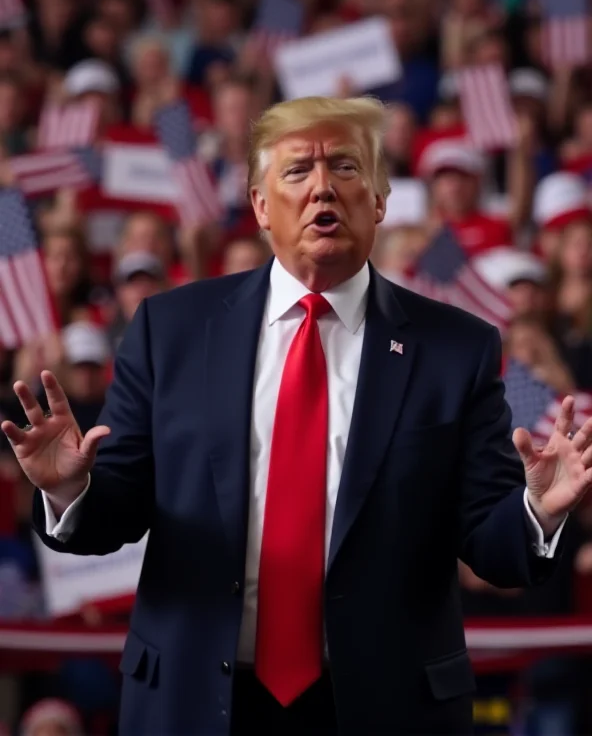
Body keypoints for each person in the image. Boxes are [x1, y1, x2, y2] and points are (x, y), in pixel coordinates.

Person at [3, 96, 592, 736]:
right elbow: (115, 513)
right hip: (197, 701)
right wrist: (68, 488)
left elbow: (491, 543)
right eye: (297, 171)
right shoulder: (171, 330)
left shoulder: (456, 349)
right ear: (259, 205)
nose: (322, 188)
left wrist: (539, 509)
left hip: (381, 705)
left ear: (379, 201)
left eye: (344, 167)